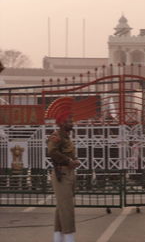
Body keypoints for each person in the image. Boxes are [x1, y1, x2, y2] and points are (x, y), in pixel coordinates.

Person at [46, 97, 80, 242]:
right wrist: (69, 161)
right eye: (68, 121)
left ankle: (58, 238)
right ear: (61, 123)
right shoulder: (56, 136)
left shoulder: (66, 137)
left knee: (62, 207)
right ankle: (69, 238)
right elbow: (52, 152)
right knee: (67, 209)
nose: (71, 123)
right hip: (62, 173)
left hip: (69, 173)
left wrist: (73, 161)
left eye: (71, 121)